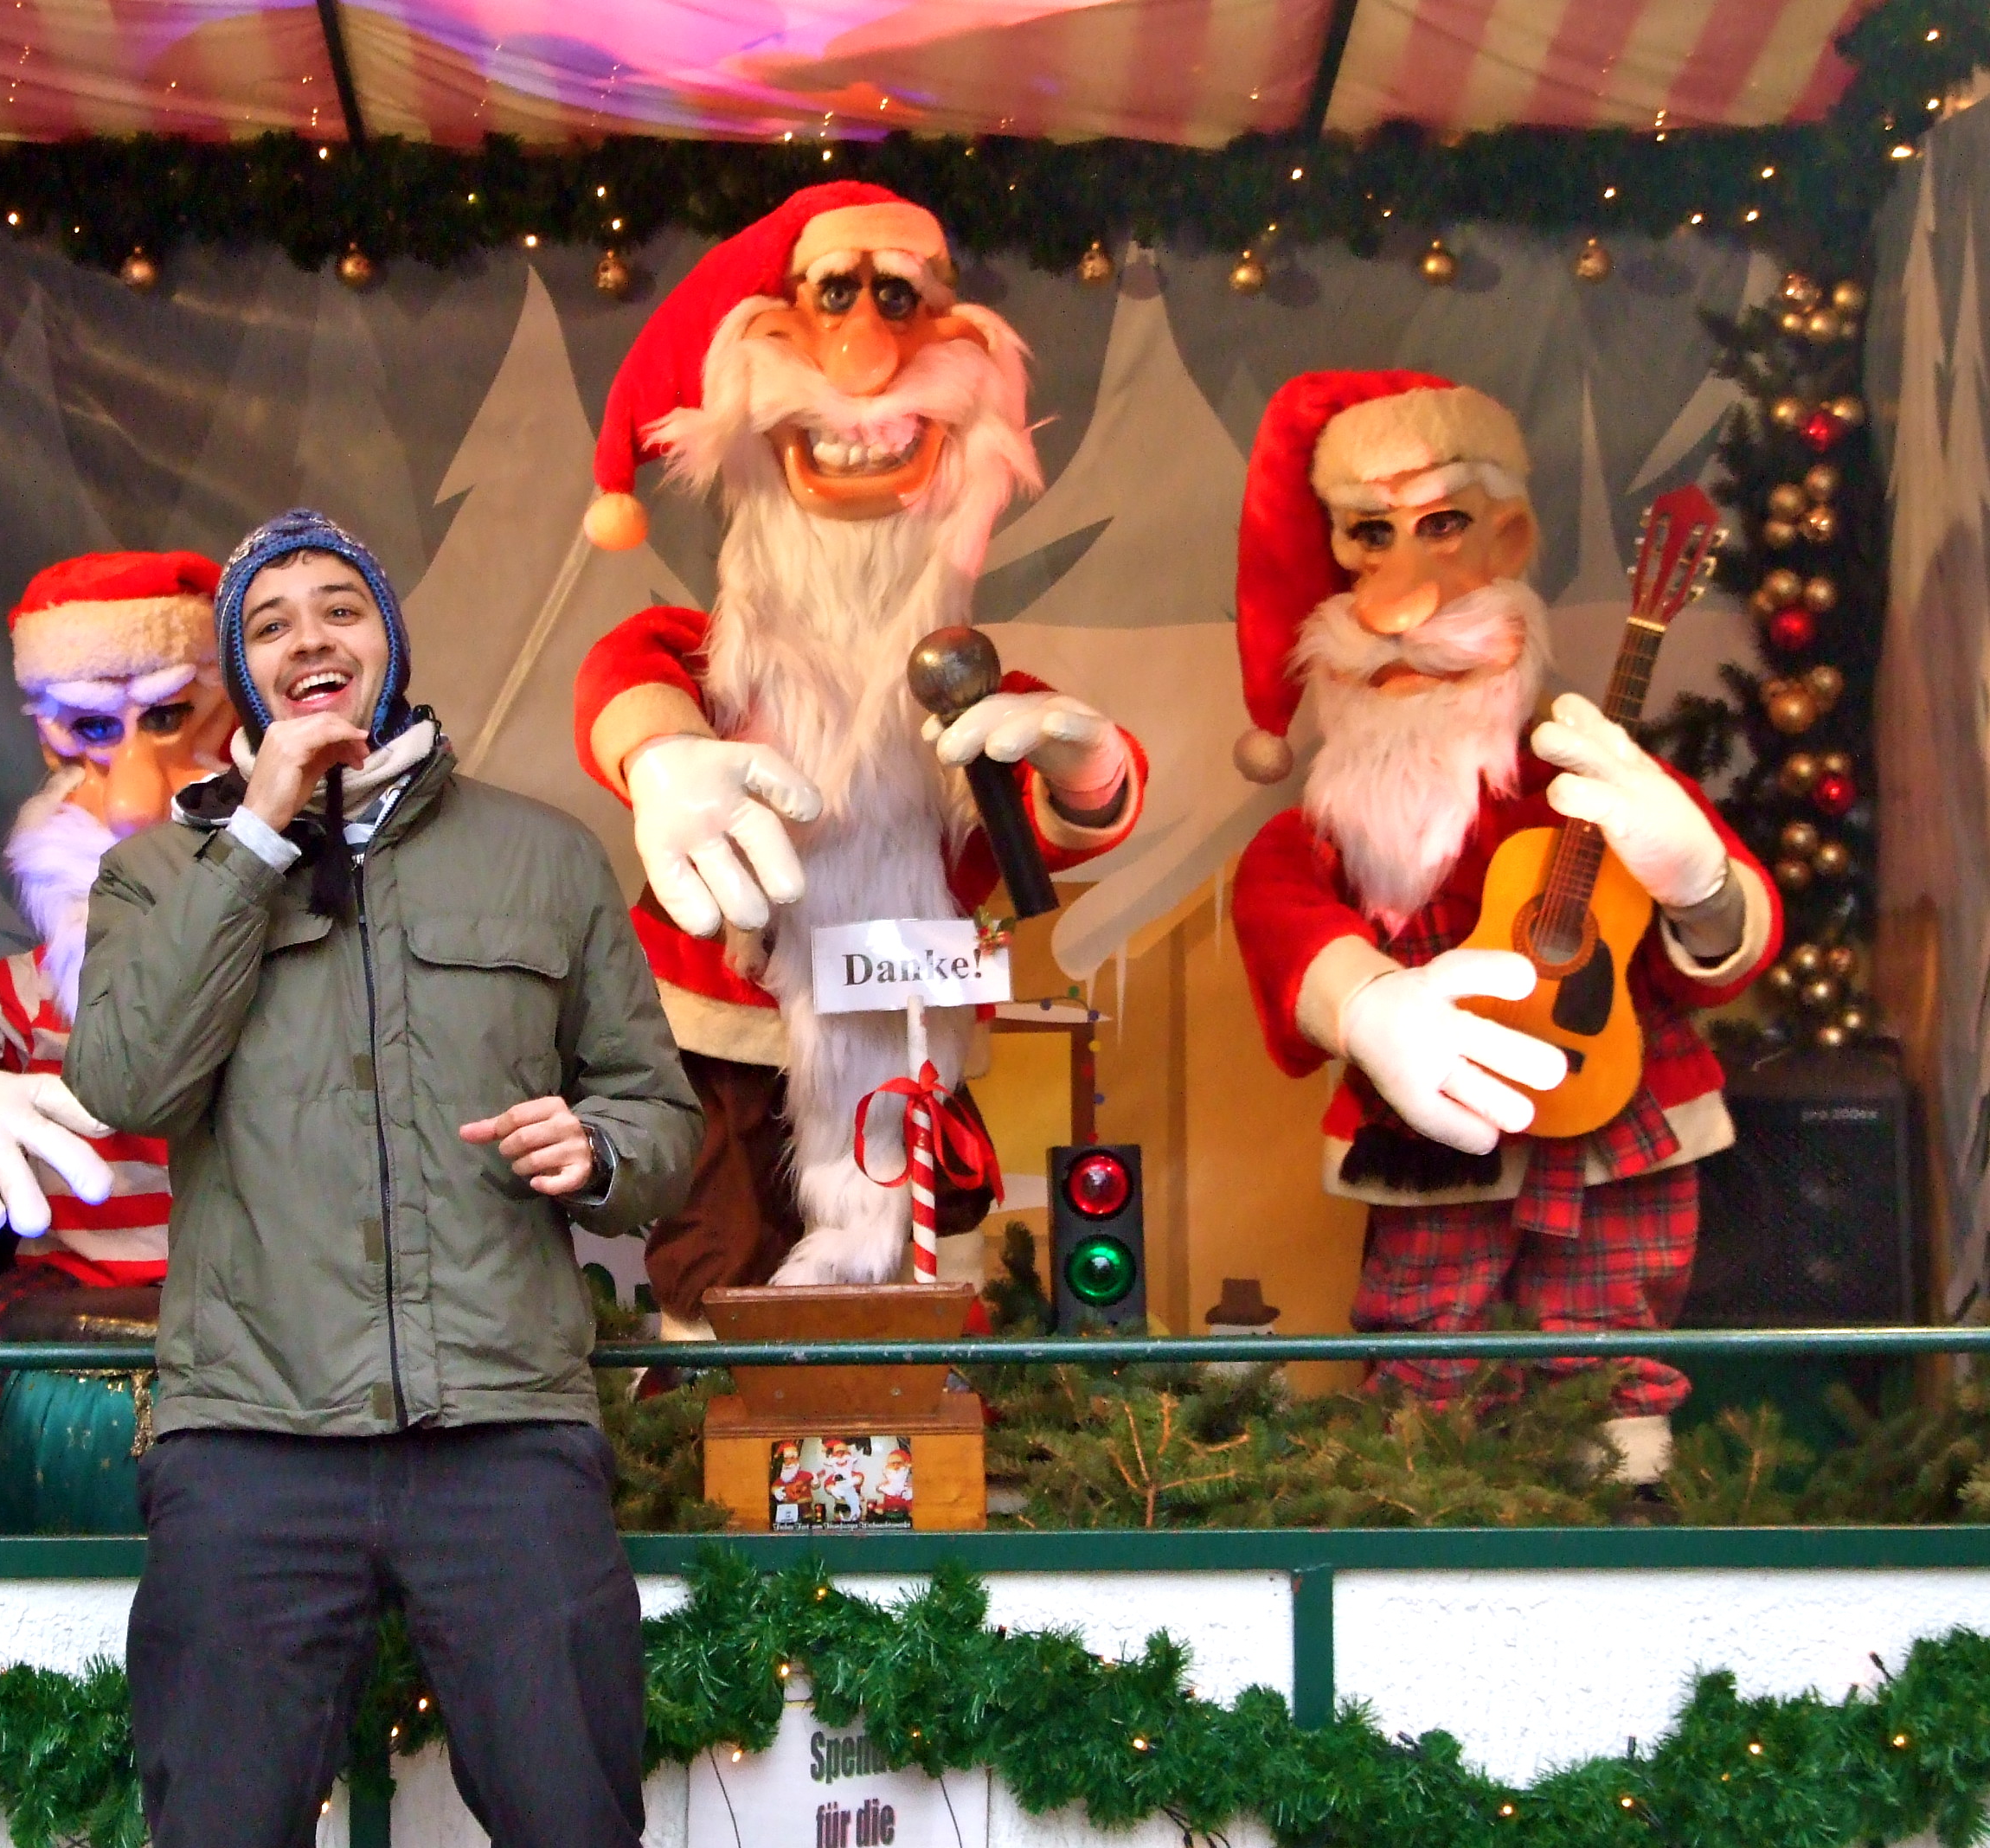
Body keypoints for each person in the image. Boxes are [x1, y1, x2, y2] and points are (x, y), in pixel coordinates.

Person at [62, 508, 701, 1848]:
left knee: (574, 1822)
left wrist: (598, 1152)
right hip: (248, 1440)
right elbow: (127, 1084)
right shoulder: (155, 874)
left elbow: (658, 1115)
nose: (310, 639)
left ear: (388, 642)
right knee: (221, 1826)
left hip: (506, 1435)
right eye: (270, 623)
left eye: (339, 608)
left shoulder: (543, 855)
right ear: (243, 675)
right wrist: (260, 832)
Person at [573, 183, 1149, 1332]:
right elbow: (624, 679)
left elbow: (1055, 810)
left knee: (909, 1253)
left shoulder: (968, 689)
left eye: (899, 306)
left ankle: (895, 1432)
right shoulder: (707, 658)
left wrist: (1083, 756)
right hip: (730, 1011)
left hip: (905, 1025)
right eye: (838, 299)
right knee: (724, 1243)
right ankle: (728, 1431)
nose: (868, 365)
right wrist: (665, 760)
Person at [1224, 371, 1779, 1485]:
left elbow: (1728, 947)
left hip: (1618, 1105)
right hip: (1439, 1131)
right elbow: (1278, 907)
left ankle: (1623, 1487)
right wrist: (1370, 1000)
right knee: (1426, 1329)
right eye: (1368, 539)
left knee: (1615, 1324)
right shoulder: (1324, 834)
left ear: (1508, 538)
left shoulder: (1586, 775)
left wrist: (1696, 878)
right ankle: (1422, 1499)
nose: (1406, 598)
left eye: (1442, 528)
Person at [0, 550, 234, 1523]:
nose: (130, 799)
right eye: (92, 731)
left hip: (247, 1279)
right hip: (70, 1274)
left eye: (168, 719)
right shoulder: (36, 991)